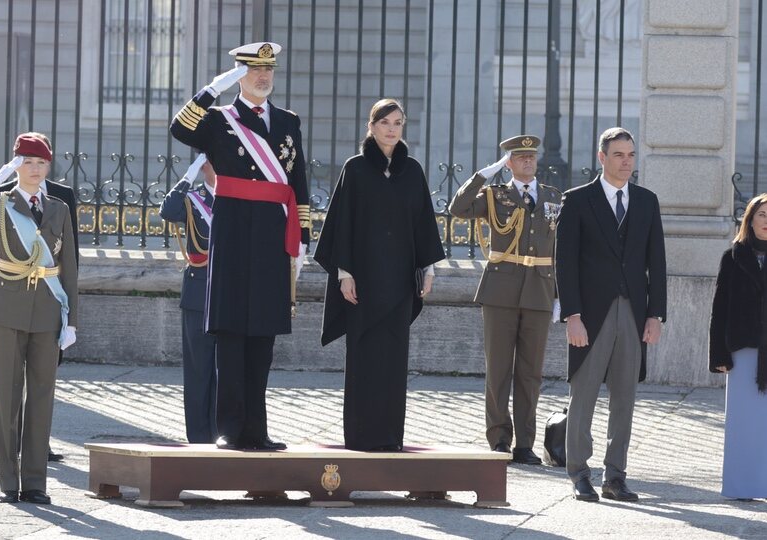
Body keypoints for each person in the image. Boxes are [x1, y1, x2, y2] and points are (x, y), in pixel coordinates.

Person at [170, 41, 310, 451]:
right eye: (254, 71)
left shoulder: (287, 121)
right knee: (231, 332)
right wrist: (211, 89)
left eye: (269, 70)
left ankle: (257, 429)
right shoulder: (217, 119)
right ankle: (230, 428)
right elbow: (179, 129)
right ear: (239, 75)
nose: (264, 77)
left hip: (270, 231)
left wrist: (301, 233)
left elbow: (296, 178)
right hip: (232, 230)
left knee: (263, 334)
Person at [314, 99, 445, 451]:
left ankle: (390, 438)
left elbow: (422, 225)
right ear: (371, 126)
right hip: (363, 283)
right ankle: (359, 437)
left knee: (393, 361)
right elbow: (342, 225)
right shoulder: (355, 169)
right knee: (363, 358)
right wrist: (344, 273)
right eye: (385, 122)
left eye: (398, 123)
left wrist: (427, 269)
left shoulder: (412, 170)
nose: (392, 129)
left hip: (401, 283)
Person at [0, 133, 78, 505]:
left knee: (42, 396)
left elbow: (68, 267)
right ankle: (9, 481)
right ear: (16, 165)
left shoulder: (57, 208)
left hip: (47, 309)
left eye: (41, 162)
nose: (35, 169)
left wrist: (71, 319)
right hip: (6, 307)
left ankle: (35, 481)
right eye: (27, 162)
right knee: (7, 397)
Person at [555, 127, 666, 503]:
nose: (627, 162)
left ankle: (615, 476)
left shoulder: (648, 202)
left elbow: (657, 264)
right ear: (601, 157)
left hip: (633, 313)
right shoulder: (578, 201)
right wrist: (571, 315)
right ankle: (579, 474)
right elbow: (564, 264)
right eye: (619, 154)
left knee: (625, 398)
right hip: (590, 314)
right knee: (582, 395)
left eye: (631, 154)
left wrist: (656, 316)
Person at [448, 135, 560, 465]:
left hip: (539, 290)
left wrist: (560, 296)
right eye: (519, 157)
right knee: (498, 369)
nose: (528, 161)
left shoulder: (553, 198)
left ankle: (525, 443)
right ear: (508, 163)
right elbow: (458, 209)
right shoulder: (495, 196)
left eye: (532, 156)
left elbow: (560, 249)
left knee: (531, 372)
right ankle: (499, 438)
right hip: (501, 292)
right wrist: (483, 175)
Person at [709, 192, 767, 501]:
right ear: (750, 220)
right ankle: (741, 486)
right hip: (743, 351)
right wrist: (719, 353)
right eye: (762, 215)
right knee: (744, 424)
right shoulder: (733, 256)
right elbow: (719, 308)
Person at [160, 154, 218, 444]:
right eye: (212, 159)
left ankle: (222, 432)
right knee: (198, 369)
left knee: (226, 367)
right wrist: (188, 175)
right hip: (198, 289)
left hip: (229, 289)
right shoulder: (192, 199)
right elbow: (168, 210)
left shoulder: (238, 196)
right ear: (204, 164)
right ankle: (198, 437)